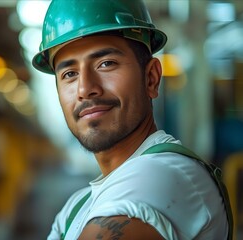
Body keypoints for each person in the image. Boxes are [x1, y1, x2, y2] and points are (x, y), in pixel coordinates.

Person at [31, 0, 233, 239]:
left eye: (106, 64)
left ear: (151, 78)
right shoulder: (76, 208)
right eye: (69, 74)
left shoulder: (165, 175)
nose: (85, 88)